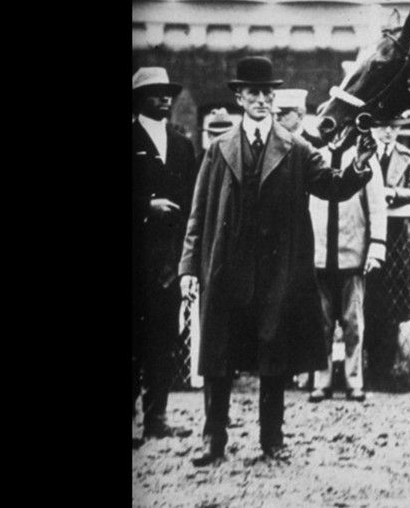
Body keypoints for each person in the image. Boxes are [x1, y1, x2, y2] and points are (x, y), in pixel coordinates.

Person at [179, 56, 377, 465]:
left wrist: (358, 165)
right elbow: (198, 214)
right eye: (253, 92)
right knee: (219, 357)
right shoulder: (218, 150)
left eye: (268, 93)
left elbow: (333, 186)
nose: (262, 100)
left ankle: (273, 440)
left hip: (276, 271)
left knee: (273, 355)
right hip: (226, 269)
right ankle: (213, 440)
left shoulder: (297, 148)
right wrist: (187, 268)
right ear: (239, 96)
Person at [132, 67, 197, 446]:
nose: (164, 99)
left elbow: (192, 204)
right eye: (155, 92)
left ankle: (156, 418)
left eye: (167, 92)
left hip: (168, 262)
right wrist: (145, 206)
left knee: (163, 339)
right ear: (139, 99)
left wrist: (183, 259)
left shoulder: (182, 145)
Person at [307, 118, 388, 403]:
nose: (337, 135)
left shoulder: (365, 160)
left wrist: (376, 247)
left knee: (353, 323)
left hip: (352, 255)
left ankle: (355, 381)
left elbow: (378, 207)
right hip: (319, 255)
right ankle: (322, 380)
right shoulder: (315, 159)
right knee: (321, 323)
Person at [363, 115, 410, 382]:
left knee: (392, 303)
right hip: (366, 235)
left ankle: (384, 369)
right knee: (367, 300)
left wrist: (392, 193)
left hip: (397, 239)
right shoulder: (362, 153)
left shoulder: (408, 157)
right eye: (382, 125)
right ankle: (364, 366)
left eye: (393, 126)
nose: (388, 131)